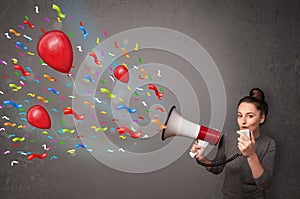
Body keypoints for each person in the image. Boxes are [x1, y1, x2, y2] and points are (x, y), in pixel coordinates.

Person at [190, 88, 276, 199]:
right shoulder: (228, 138)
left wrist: (251, 156)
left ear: (261, 118)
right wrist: (202, 158)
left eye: (250, 116)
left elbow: (264, 184)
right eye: (240, 115)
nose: (243, 121)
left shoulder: (269, 144)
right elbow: (217, 168)